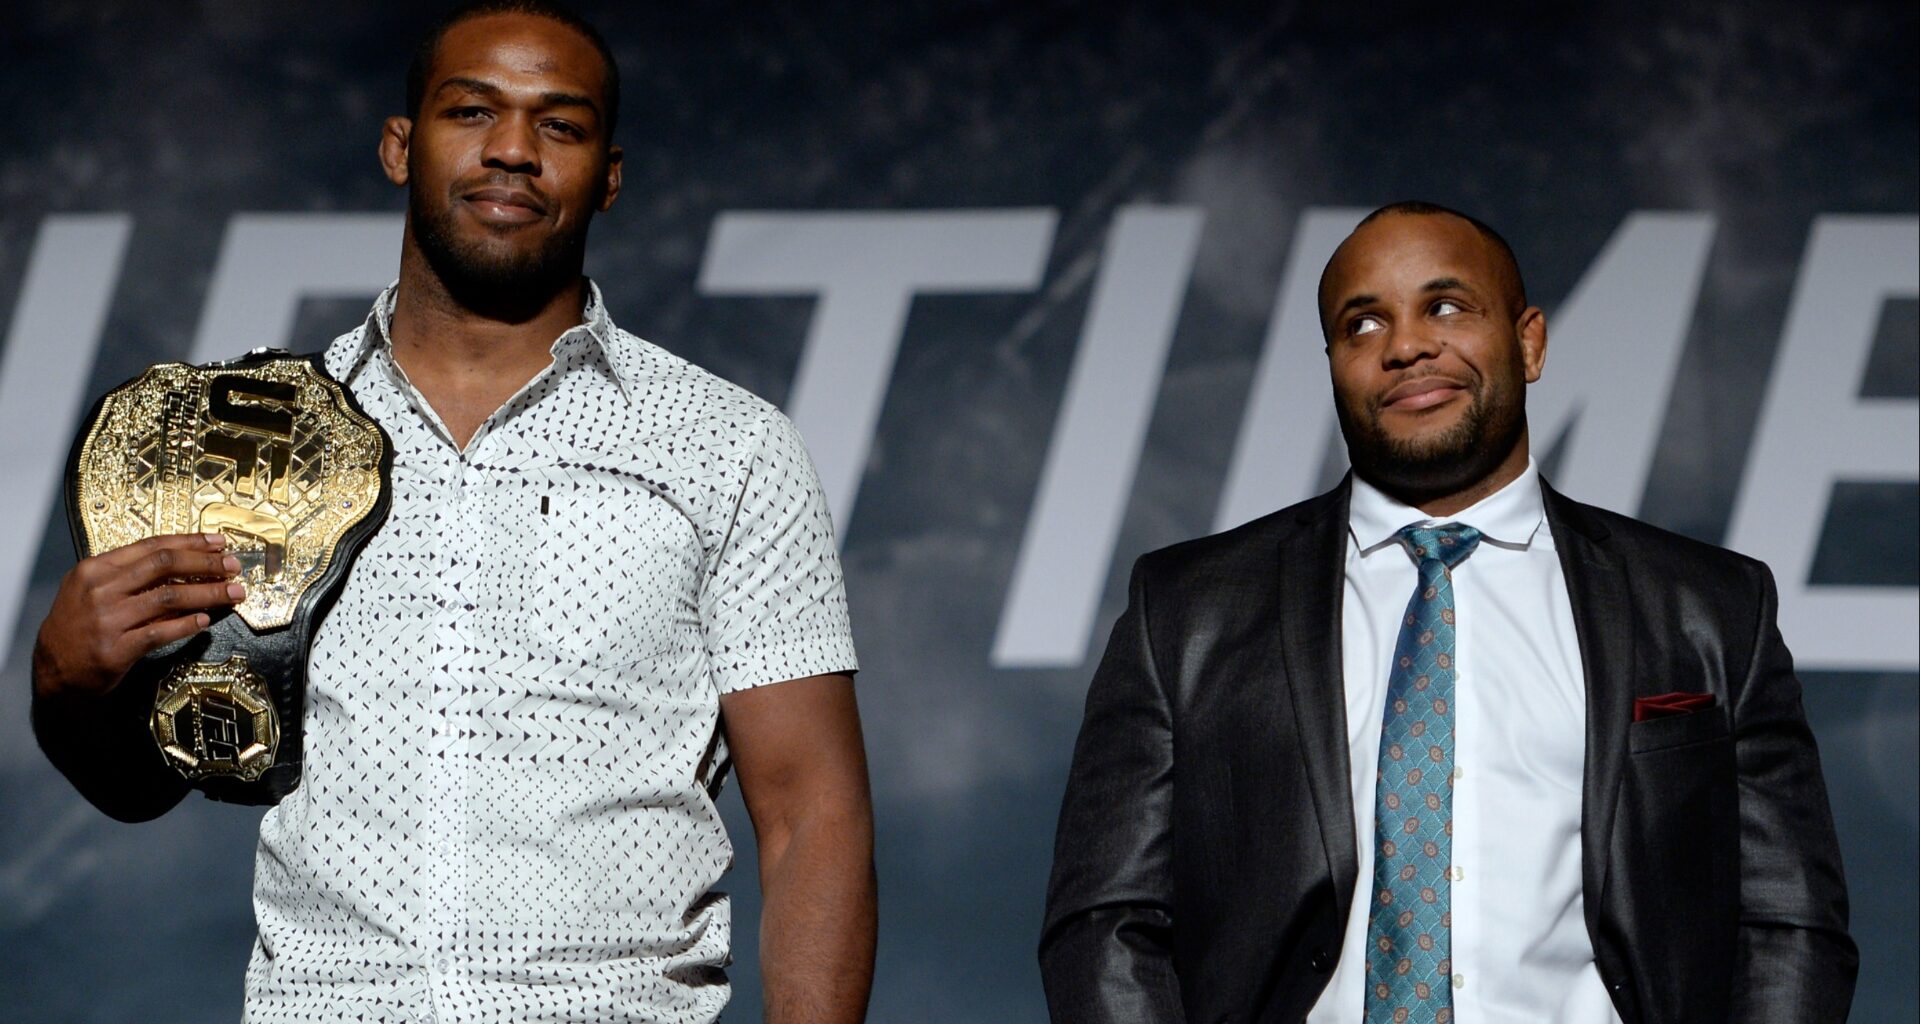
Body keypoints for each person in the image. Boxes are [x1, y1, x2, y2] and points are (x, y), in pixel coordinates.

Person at [30, 3, 875, 1021]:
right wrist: (68, 683)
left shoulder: (727, 446)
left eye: (558, 125)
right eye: (472, 111)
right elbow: (148, 778)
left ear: (608, 173)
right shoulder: (247, 443)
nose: (512, 149)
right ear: (400, 147)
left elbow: (809, 815)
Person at [1038, 201, 1856, 1024]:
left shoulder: (1709, 608)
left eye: (1446, 307)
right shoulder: (1185, 611)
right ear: (1331, 365)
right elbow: (1105, 922)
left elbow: (1789, 923)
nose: (1405, 346)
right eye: (1363, 324)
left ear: (1529, 342)